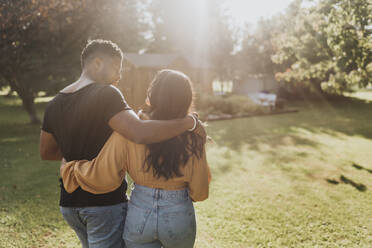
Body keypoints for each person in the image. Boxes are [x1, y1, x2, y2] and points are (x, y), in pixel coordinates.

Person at [39, 40, 200, 248]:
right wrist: (189, 122)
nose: (119, 75)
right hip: (103, 205)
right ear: (97, 63)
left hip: (69, 204)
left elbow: (47, 152)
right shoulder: (106, 94)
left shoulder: (55, 103)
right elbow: (140, 132)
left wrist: (77, 152)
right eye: (116, 67)